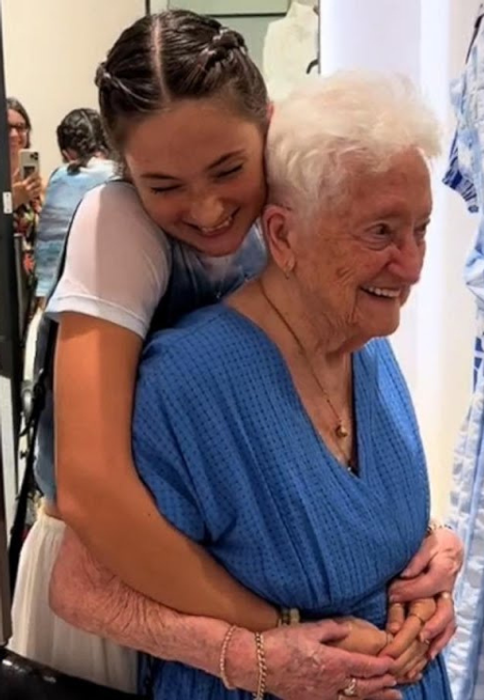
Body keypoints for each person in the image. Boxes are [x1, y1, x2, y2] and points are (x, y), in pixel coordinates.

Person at [9, 10, 460, 695]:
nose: (210, 208)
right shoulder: (118, 230)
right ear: (127, 172)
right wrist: (276, 632)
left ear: (268, 131)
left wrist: (428, 555)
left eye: (227, 169)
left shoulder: (338, 307)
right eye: (164, 185)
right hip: (103, 547)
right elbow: (92, 493)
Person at [33, 108, 116, 306]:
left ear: (67, 153)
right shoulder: (120, 175)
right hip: (104, 292)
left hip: (51, 294)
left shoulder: (58, 177)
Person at [9, 96, 42, 332]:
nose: (13, 134)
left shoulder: (38, 183)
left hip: (33, 285)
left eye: (20, 127)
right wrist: (12, 199)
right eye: (6, 127)